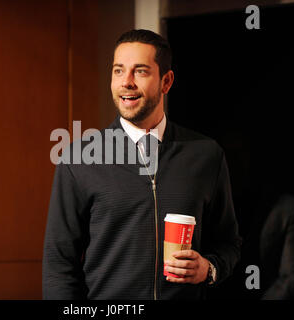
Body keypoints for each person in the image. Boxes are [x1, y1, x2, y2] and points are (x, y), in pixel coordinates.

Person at [43, 29, 241, 300]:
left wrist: (210, 269)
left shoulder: (206, 155)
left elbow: (229, 242)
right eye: (118, 71)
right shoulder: (78, 158)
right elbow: (59, 264)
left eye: (140, 71)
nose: (126, 82)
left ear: (166, 81)